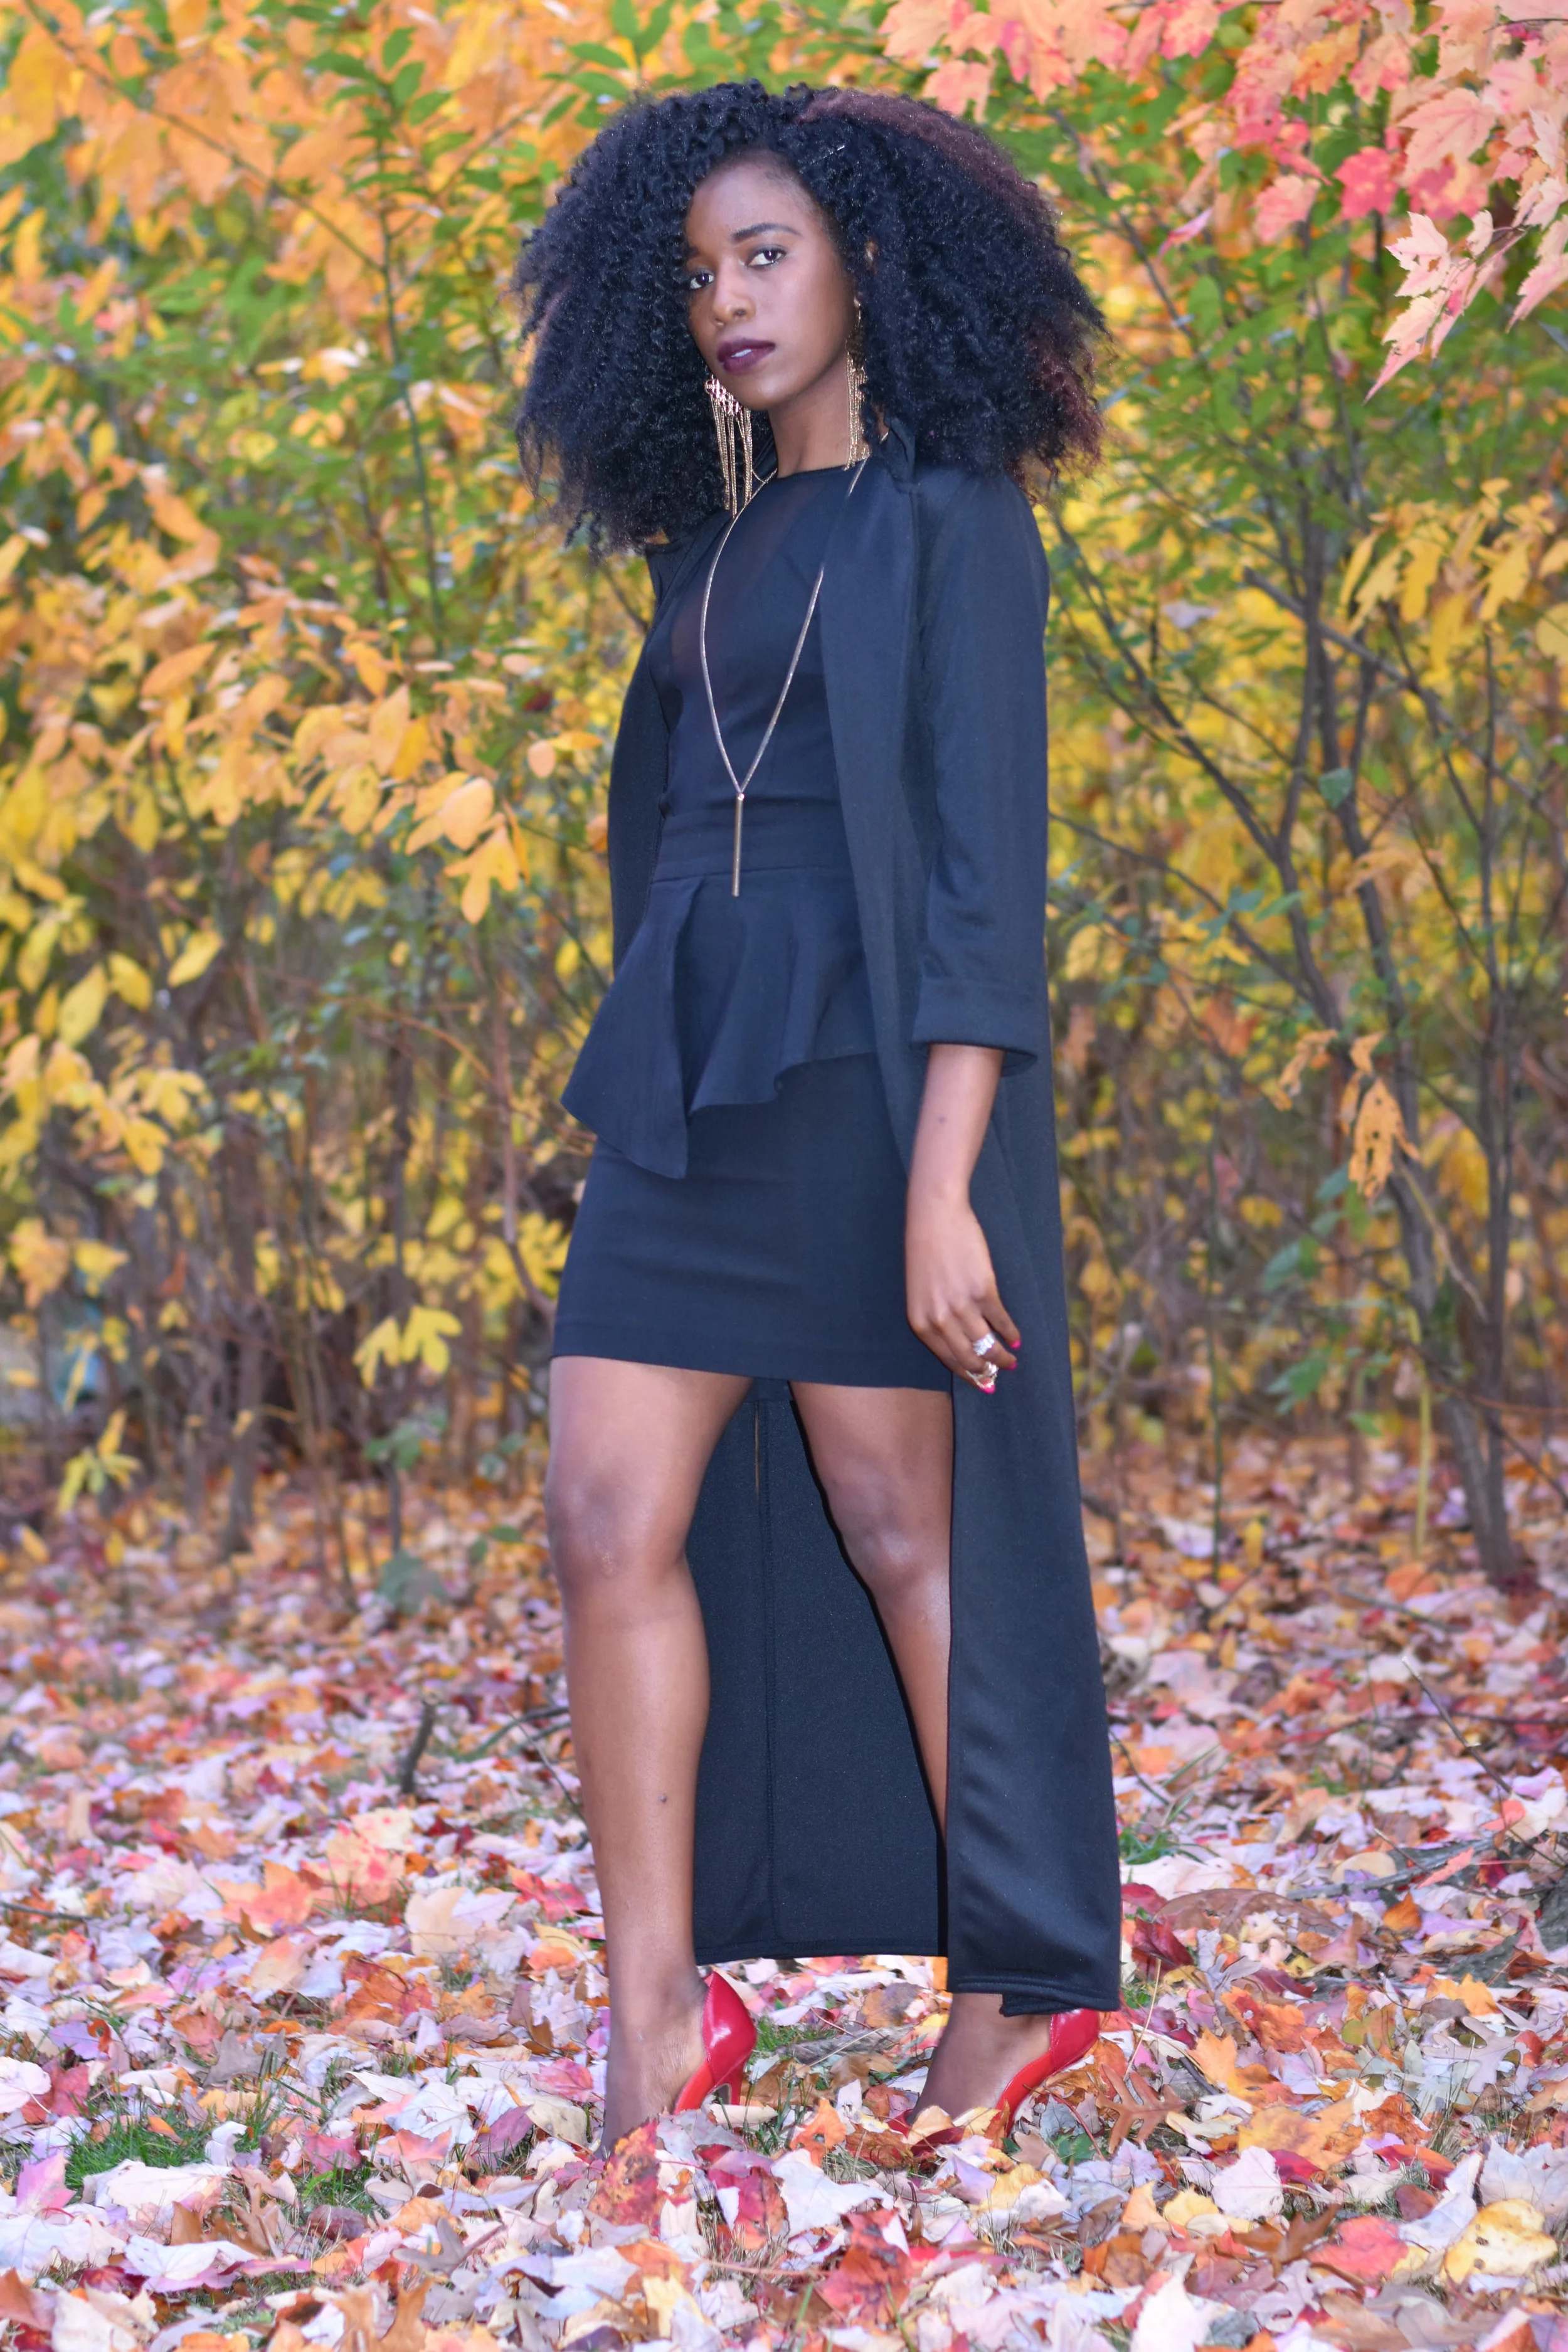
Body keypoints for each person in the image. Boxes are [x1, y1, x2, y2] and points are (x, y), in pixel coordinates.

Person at [512, 81, 1122, 2149]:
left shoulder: (954, 523)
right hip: (685, 1095)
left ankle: (1020, 1975)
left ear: (871, 259)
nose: (726, 301)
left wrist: (945, 1184)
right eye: (693, 271)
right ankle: (652, 2022)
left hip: (871, 1095)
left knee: (895, 1528)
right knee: (605, 1514)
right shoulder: (709, 542)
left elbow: (975, 878)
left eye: (764, 253)